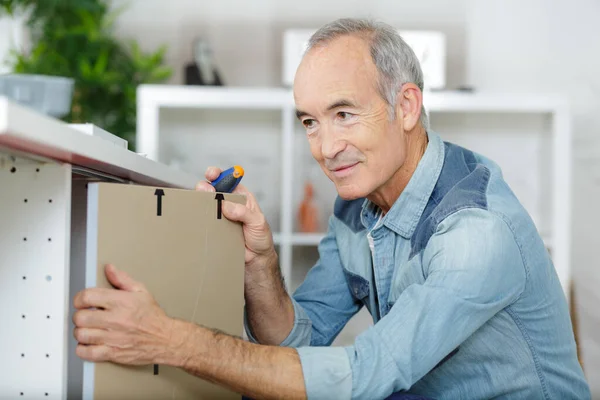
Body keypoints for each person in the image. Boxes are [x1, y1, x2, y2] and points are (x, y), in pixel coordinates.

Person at [71, 18, 591, 399]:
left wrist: (170, 341)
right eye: (310, 122)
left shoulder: (475, 232)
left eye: (344, 113)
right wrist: (259, 261)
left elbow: (365, 374)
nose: (325, 147)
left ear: (405, 107)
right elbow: (300, 337)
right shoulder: (359, 206)